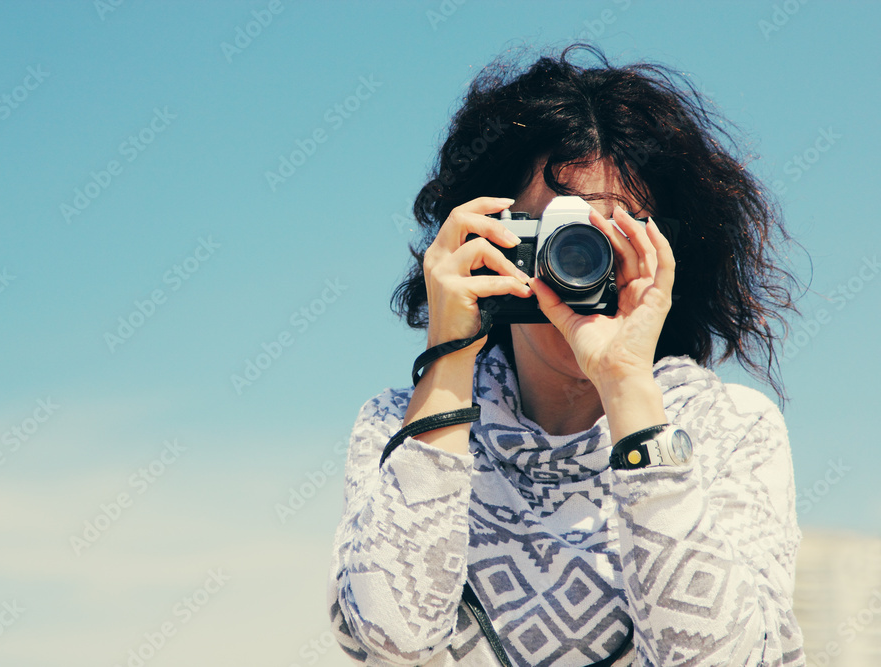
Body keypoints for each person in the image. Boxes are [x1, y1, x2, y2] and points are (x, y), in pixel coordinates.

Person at [328, 45, 805, 667]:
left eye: (610, 238)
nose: (578, 264)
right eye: (552, 236)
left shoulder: (733, 428)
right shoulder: (398, 428)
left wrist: (628, 388)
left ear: (665, 255)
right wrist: (450, 355)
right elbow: (390, 638)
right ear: (490, 242)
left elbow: (718, 659)